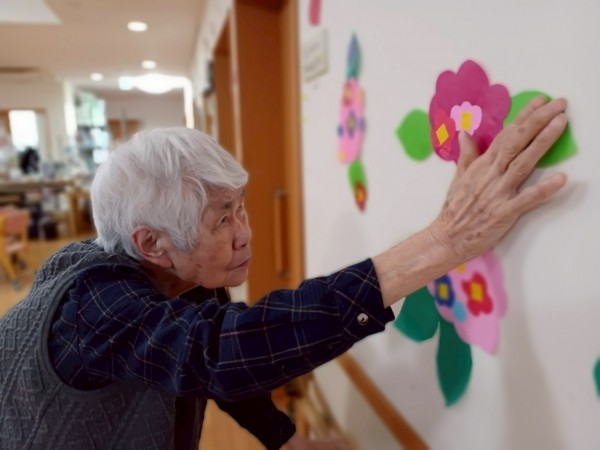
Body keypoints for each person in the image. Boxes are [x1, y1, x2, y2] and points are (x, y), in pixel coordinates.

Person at [0, 96, 568, 449]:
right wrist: (443, 241)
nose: (245, 232)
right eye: (223, 218)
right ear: (152, 243)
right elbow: (218, 354)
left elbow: (214, 370)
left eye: (240, 207)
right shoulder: (94, 307)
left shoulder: (183, 281)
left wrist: (286, 440)